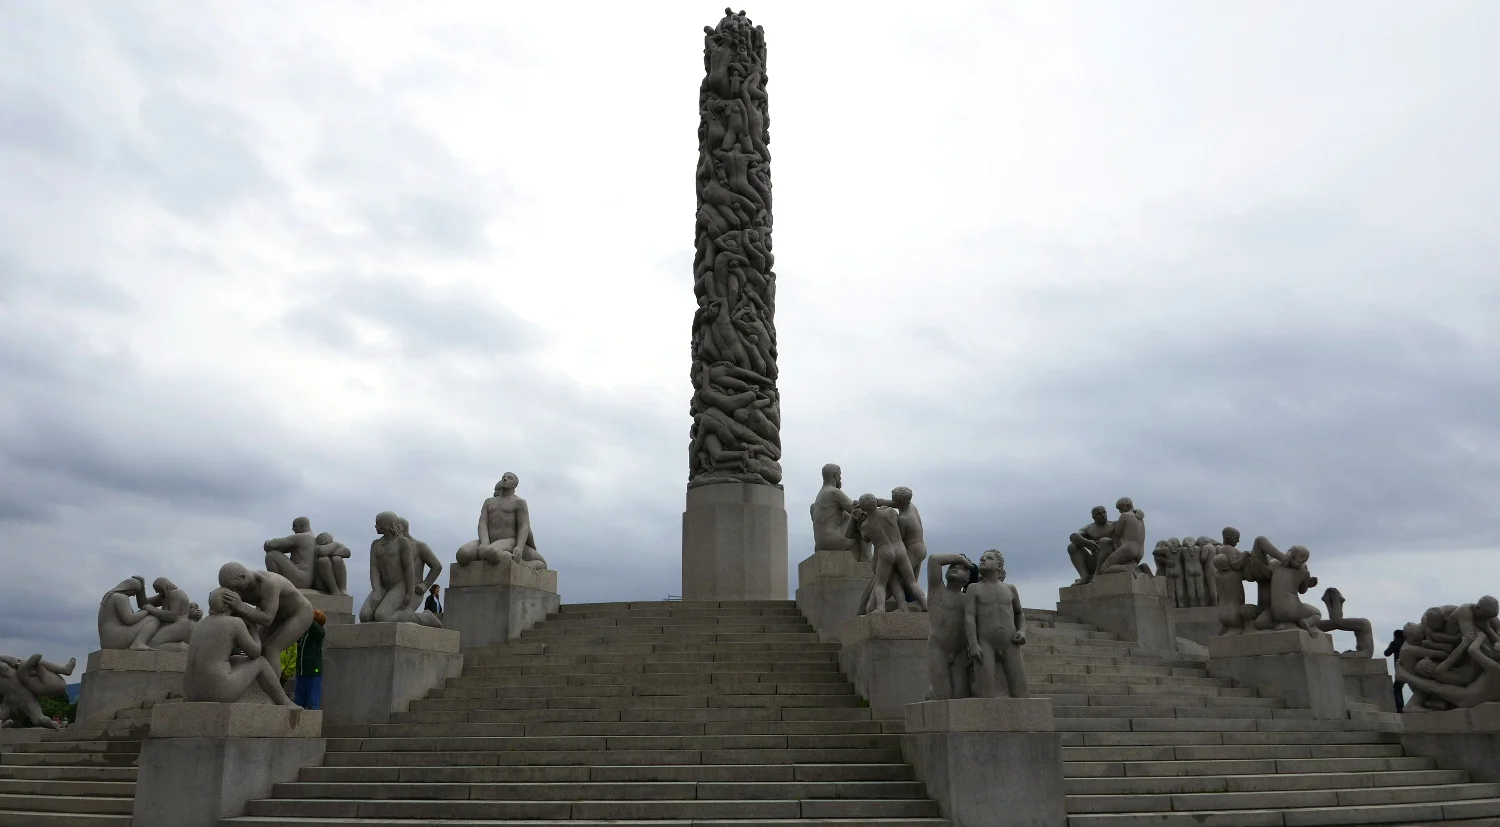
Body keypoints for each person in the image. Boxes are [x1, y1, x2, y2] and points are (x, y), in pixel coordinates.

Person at [294, 610, 326, 710]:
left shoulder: (319, 632)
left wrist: (306, 612)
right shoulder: (304, 634)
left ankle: (313, 720)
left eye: (315, 614)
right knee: (298, 703)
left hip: (313, 672)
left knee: (313, 703)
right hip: (301, 672)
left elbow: (313, 625)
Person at [1385, 628, 1407, 712]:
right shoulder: (1406, 643)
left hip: (1400, 671)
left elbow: (1386, 653)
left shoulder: (1394, 643)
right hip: (1410, 669)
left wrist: (1392, 644)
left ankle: (1400, 708)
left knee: (1397, 688)